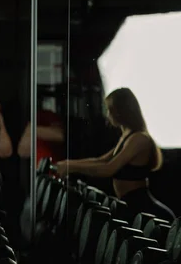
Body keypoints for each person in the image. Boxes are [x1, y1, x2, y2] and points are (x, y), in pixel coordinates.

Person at [56, 87, 175, 221]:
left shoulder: (139, 138)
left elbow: (109, 168)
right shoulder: (127, 135)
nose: (108, 115)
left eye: (110, 110)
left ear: (121, 111)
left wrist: (71, 167)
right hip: (131, 203)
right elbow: (101, 160)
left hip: (143, 208)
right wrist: (68, 163)